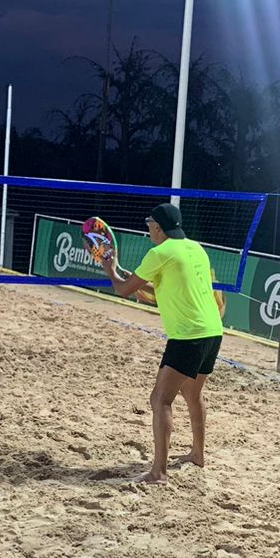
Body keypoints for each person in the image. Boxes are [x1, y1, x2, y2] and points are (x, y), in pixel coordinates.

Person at [102, 202, 224, 483]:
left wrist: (109, 269)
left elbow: (124, 290)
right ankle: (197, 454)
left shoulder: (159, 253)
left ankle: (159, 472)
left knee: (160, 399)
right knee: (193, 395)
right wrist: (119, 269)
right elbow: (159, 288)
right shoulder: (197, 249)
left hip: (188, 336)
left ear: (157, 227)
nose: (148, 231)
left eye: (150, 226)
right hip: (213, 332)